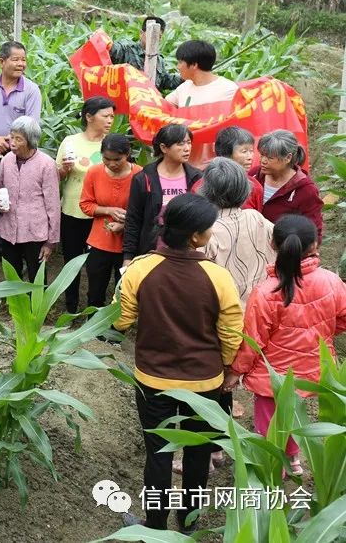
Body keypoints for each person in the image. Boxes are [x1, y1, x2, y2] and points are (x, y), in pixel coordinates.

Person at [113, 193, 243, 533]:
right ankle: (187, 527)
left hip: (153, 379)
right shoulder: (217, 276)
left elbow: (121, 320)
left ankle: (154, 526)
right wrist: (227, 367)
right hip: (204, 383)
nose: (211, 233)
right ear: (195, 237)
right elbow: (231, 330)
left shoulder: (140, 269)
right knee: (198, 456)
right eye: (208, 229)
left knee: (158, 453)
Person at [226, 214, 346, 477]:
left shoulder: (266, 291)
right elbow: (342, 319)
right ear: (315, 246)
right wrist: (324, 329)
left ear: (273, 244)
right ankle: (294, 460)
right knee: (297, 417)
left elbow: (254, 341)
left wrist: (236, 371)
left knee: (270, 424)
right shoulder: (331, 281)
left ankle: (274, 469)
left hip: (273, 376)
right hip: (313, 370)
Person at [0, 41, 43, 265]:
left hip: (21, 157)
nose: (21, 64)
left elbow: (31, 125)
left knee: (19, 200)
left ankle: (20, 248)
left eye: (24, 59)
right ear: (2, 61)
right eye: (16, 59)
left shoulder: (31, 90)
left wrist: (7, 143)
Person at [55, 97, 116, 313]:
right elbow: (57, 178)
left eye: (112, 116)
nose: (110, 120)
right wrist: (63, 170)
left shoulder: (112, 144)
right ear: (89, 117)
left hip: (99, 215)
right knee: (71, 263)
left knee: (96, 267)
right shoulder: (70, 142)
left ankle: (93, 311)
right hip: (71, 212)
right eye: (105, 115)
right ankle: (70, 309)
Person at [122, 124, 202, 266]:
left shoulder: (196, 178)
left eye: (189, 142)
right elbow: (133, 219)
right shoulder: (143, 179)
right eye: (180, 143)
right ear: (164, 148)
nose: (187, 148)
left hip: (186, 255)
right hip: (151, 254)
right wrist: (128, 257)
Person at [198, 158, 275, 305]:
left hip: (226, 312)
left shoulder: (206, 232)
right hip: (263, 306)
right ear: (245, 187)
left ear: (206, 190)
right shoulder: (256, 217)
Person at [0, 116, 60, 282]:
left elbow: (53, 205)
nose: (12, 142)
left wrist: (50, 242)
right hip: (9, 229)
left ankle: (37, 308)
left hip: (35, 232)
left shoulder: (46, 164)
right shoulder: (6, 160)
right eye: (12, 136)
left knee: (36, 276)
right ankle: (15, 306)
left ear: (30, 141)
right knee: (12, 274)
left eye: (18, 139)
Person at [79, 133, 140, 308]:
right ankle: (93, 329)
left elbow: (146, 210)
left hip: (128, 245)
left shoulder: (140, 174)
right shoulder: (94, 172)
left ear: (127, 154)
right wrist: (108, 210)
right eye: (107, 159)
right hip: (99, 242)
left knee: (123, 291)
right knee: (95, 291)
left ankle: (116, 331)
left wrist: (126, 223)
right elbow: (85, 204)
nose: (112, 164)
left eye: (117, 159)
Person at [166, 40, 239, 168]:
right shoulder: (184, 87)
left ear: (194, 65)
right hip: (183, 164)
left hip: (213, 166)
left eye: (180, 62)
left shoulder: (228, 90)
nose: (178, 66)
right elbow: (164, 107)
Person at [250, 129, 323, 240]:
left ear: (288, 158)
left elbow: (313, 233)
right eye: (262, 155)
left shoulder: (306, 190)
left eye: (270, 157)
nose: (263, 161)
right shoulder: (253, 175)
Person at [190, 126, 263, 210]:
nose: (250, 157)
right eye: (244, 151)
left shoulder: (255, 187)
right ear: (226, 153)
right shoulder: (200, 186)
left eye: (251, 151)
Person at [109, 15, 183, 93]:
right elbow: (111, 49)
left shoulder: (159, 59)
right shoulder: (126, 49)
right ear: (141, 33)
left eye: (159, 36)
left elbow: (165, 80)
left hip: (148, 100)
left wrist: (185, 77)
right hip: (127, 98)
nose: (155, 39)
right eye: (151, 34)